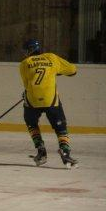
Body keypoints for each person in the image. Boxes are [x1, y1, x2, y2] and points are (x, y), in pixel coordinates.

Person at [20, 39, 78, 167]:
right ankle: (65, 151)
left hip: (32, 99)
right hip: (50, 99)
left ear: (29, 50)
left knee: (31, 124)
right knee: (61, 127)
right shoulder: (51, 57)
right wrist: (56, 71)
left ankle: (41, 151)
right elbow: (73, 70)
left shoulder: (24, 63)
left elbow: (26, 84)